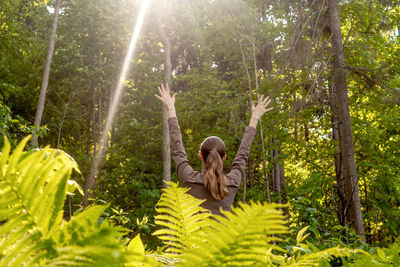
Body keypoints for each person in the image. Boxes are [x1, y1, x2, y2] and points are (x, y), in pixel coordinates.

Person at [155, 83, 273, 215]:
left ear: (200, 155)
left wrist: (171, 108)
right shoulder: (232, 183)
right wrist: (255, 117)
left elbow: (177, 149)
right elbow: (243, 154)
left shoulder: (189, 178)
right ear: (224, 157)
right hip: (225, 237)